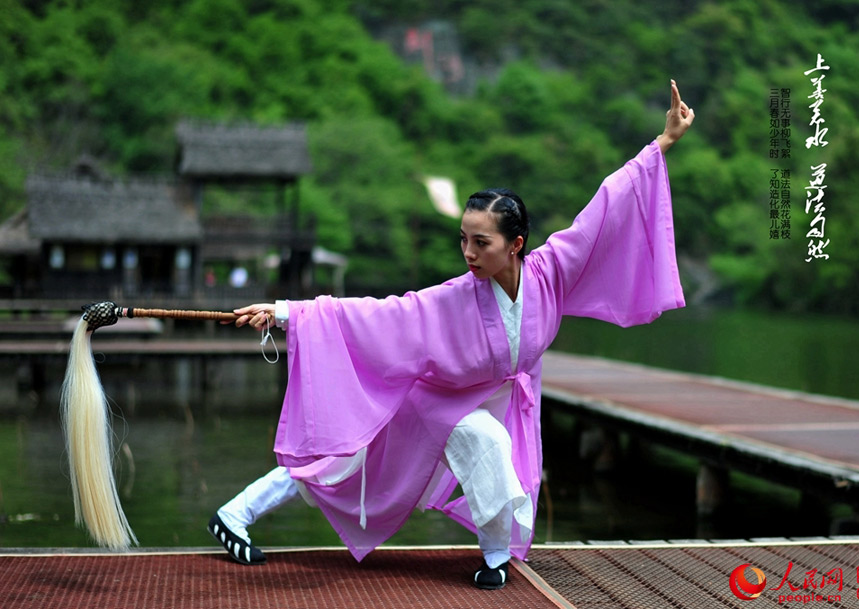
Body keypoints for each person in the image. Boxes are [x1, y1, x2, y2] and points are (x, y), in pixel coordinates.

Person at [208, 80, 695, 589]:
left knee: (357, 460)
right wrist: (286, 311)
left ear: (516, 245)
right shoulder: (452, 297)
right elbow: (378, 313)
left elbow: (607, 206)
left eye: (480, 242)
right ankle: (494, 557)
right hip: (433, 400)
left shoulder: (552, 272)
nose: (467, 252)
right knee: (352, 457)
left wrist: (663, 143)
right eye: (463, 239)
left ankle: (236, 511)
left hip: (491, 399)